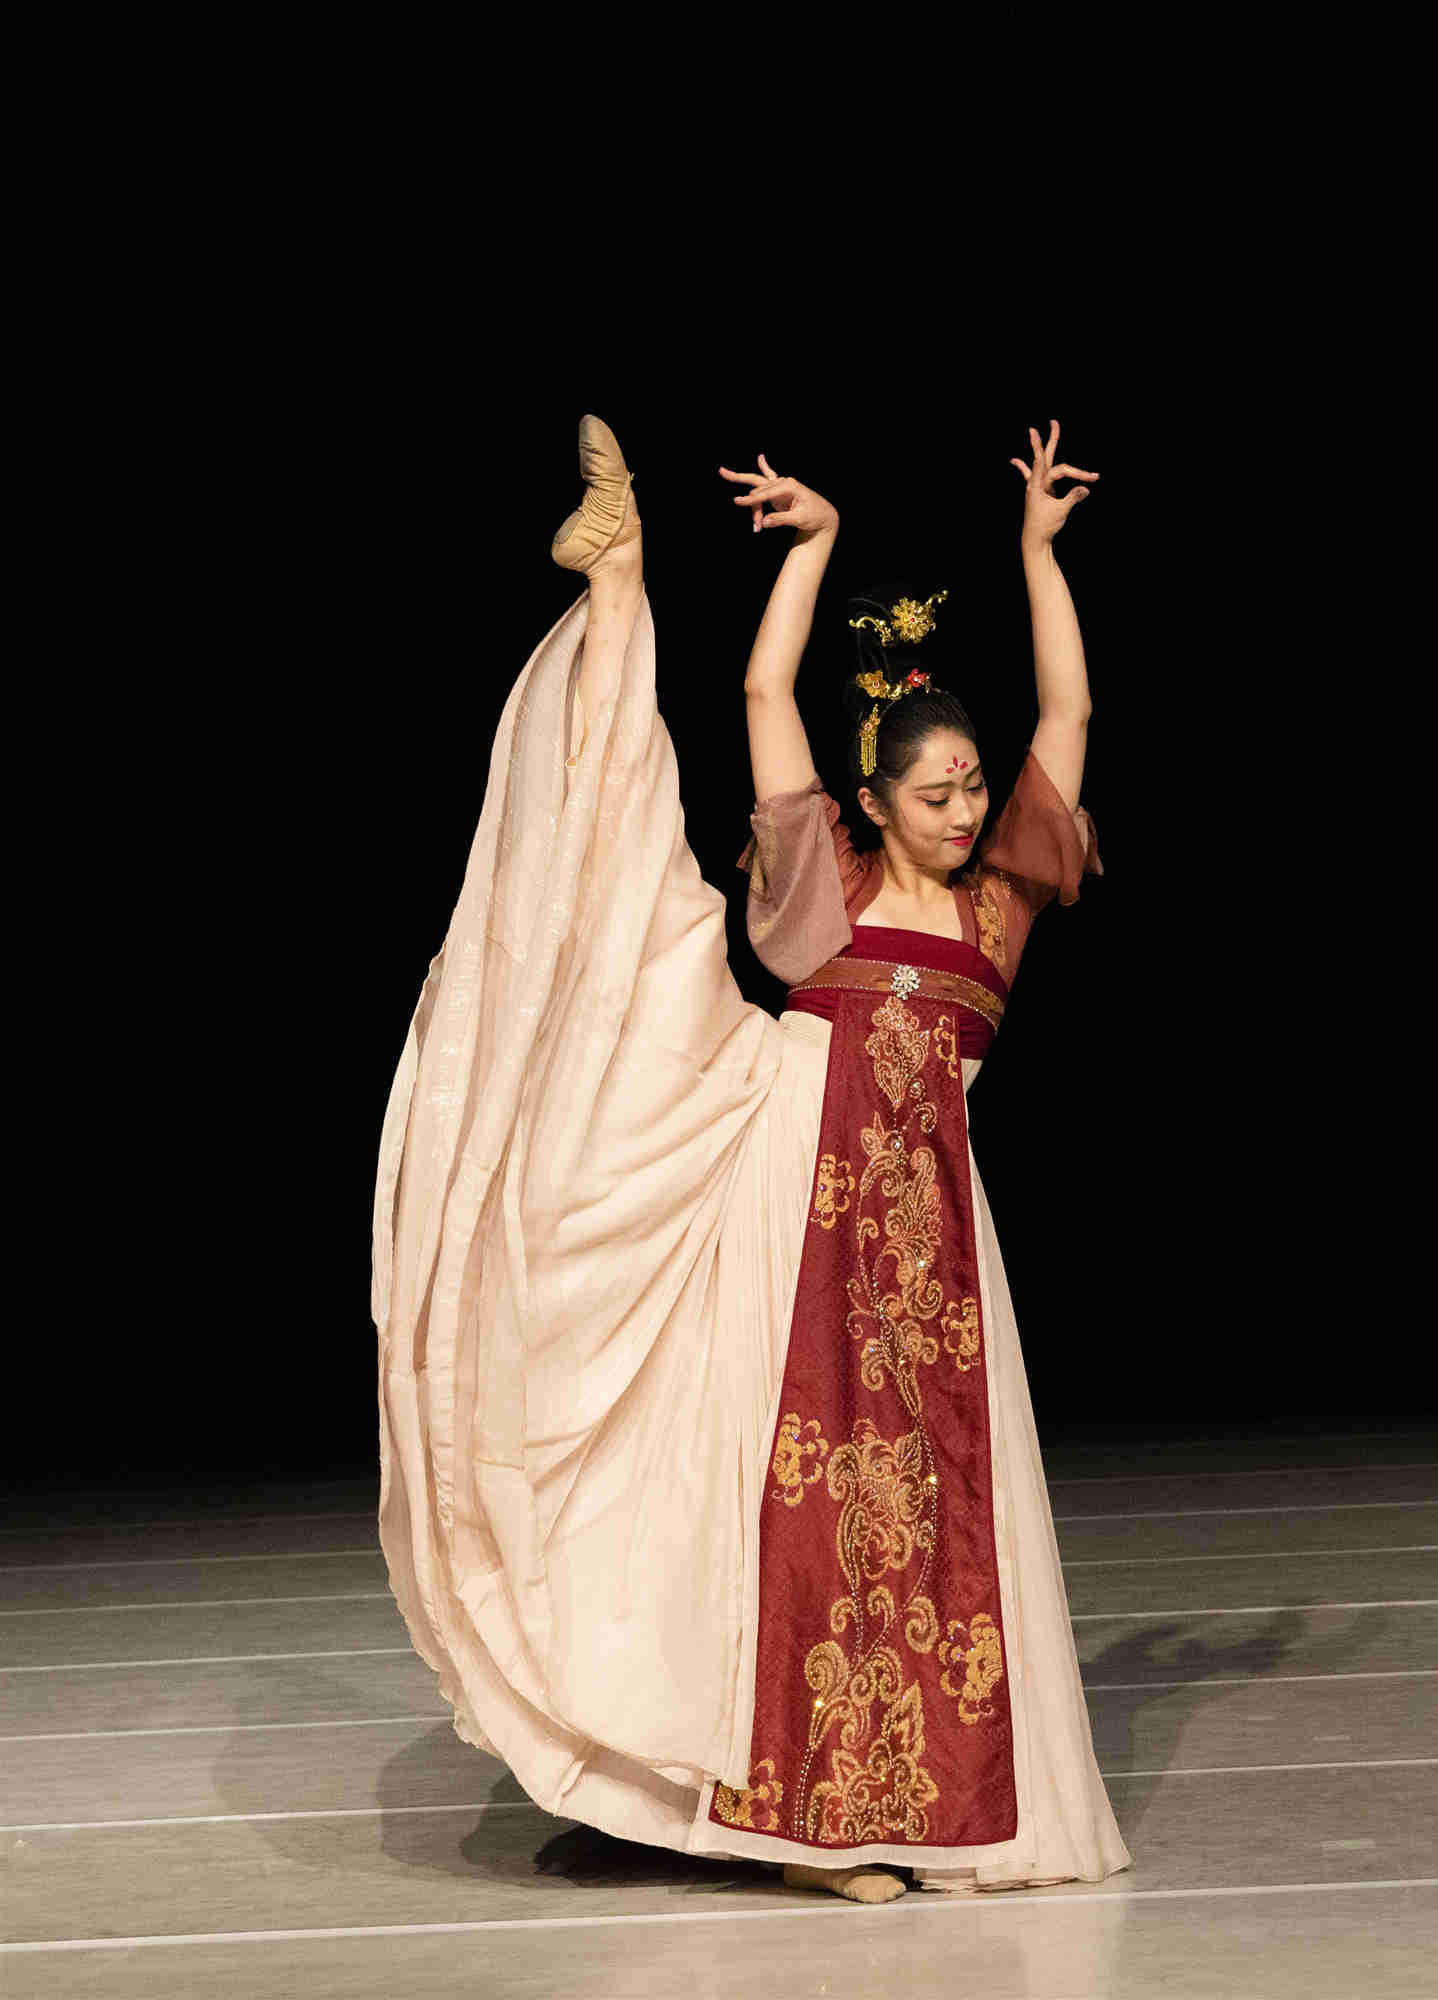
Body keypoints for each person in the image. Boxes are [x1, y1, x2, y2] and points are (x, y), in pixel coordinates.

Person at [372, 414, 1134, 1905]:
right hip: (784, 1200)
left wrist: (1039, 556)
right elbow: (763, 691)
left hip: (930, 1245)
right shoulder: (824, 893)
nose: (965, 809)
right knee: (784, 1507)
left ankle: (900, 1803)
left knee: (924, 1520)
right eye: (934, 793)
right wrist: (817, 546)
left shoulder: (999, 909)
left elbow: (1072, 713)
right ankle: (800, 1826)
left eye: (972, 787)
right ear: (872, 803)